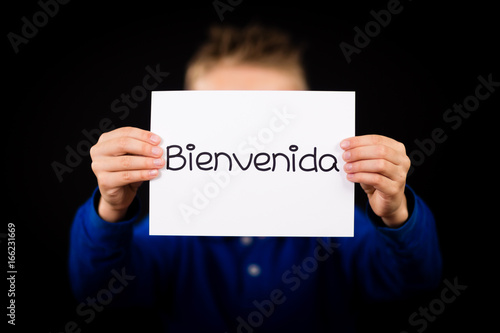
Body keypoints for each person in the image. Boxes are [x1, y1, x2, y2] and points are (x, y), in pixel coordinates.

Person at [69, 24, 442, 332]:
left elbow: (411, 285)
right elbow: (101, 294)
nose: (251, 137)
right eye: (224, 114)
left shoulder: (336, 225)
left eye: (274, 116)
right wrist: (111, 207)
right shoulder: (172, 229)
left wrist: (396, 211)